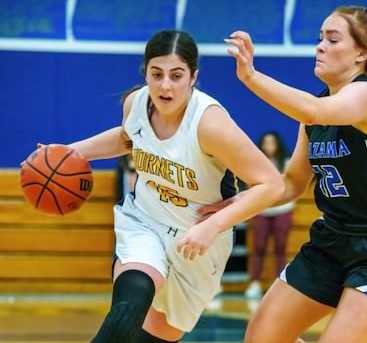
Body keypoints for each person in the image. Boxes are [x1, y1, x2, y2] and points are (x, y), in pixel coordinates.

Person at [200, 1, 367, 342]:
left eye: (333, 40)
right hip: (331, 241)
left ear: (361, 54)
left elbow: (315, 109)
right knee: (259, 338)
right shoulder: (313, 116)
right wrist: (233, 208)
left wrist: (250, 75)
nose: (320, 46)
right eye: (320, 37)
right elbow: (290, 183)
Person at [59, 30, 284, 343]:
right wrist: (71, 152)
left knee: (155, 336)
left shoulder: (209, 124)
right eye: (157, 74)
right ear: (146, 73)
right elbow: (128, 137)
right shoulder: (136, 104)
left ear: (193, 77)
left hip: (198, 242)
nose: (165, 85)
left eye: (176, 75)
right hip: (146, 221)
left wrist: (215, 224)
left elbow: (272, 185)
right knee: (131, 300)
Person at [245, 132, 294, 299]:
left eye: (272, 143)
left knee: (280, 248)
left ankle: (279, 284)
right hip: (261, 211)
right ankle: (255, 283)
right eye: (266, 143)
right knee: (258, 247)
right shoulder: (256, 164)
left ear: (278, 145)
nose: (269, 146)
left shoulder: (286, 164)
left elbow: (291, 187)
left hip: (283, 210)